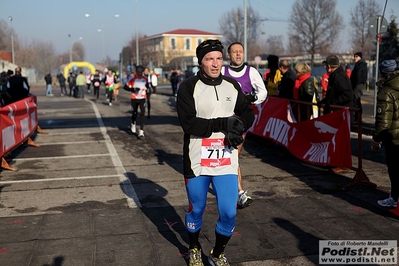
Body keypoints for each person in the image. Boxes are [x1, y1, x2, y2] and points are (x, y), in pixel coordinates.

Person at [176, 39, 254, 266]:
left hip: (226, 160)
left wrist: (238, 126)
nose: (215, 63)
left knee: (229, 211)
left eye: (219, 58)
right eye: (209, 59)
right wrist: (224, 123)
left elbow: (248, 113)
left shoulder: (231, 85)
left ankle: (218, 253)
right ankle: (194, 247)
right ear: (201, 62)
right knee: (196, 208)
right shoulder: (189, 87)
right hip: (197, 161)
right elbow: (189, 124)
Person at [221, 41, 267, 208]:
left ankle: (236, 191)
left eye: (241, 51)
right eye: (235, 52)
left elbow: (263, 92)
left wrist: (253, 98)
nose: (238, 54)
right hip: (223, 121)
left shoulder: (251, 72)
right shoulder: (223, 71)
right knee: (230, 157)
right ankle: (239, 192)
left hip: (241, 122)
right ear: (229, 55)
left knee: (233, 156)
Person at [372, 59, 399, 208]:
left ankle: (394, 198)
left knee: (394, 170)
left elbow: (384, 122)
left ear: (383, 73)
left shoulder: (386, 92)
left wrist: (376, 139)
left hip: (393, 138)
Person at [123, 65, 149, 138]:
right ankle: (133, 123)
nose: (140, 73)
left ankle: (141, 131)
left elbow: (147, 86)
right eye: (138, 72)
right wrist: (133, 89)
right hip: (134, 98)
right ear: (136, 72)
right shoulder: (132, 78)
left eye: (141, 72)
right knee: (135, 112)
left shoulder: (145, 78)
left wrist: (148, 89)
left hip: (142, 98)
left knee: (142, 113)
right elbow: (125, 87)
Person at [350, 52, 368, 121]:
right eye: (354, 56)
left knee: (356, 100)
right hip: (357, 84)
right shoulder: (359, 64)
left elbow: (359, 76)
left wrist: (355, 83)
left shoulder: (361, 65)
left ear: (360, 57)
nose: (355, 58)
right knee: (356, 100)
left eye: (356, 57)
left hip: (358, 84)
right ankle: (357, 117)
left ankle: (357, 117)